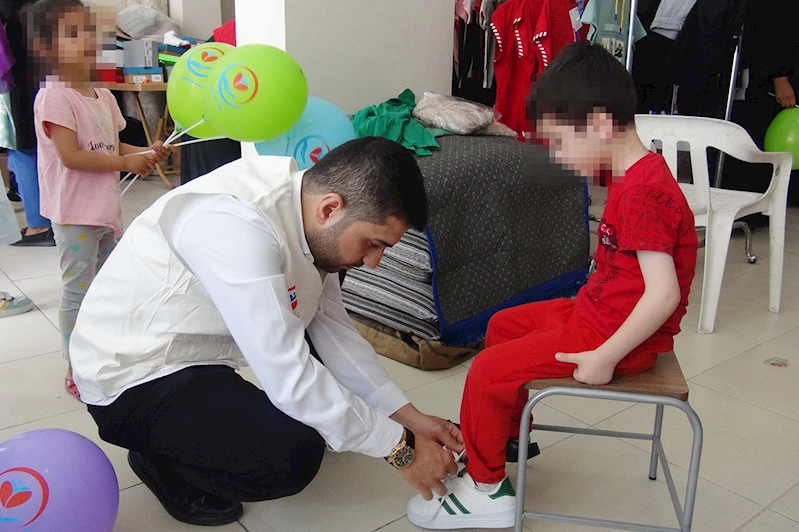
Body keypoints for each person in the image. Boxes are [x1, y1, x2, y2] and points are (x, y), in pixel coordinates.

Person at [68, 136, 465, 526]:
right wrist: (402, 450)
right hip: (132, 376)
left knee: (324, 415)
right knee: (291, 455)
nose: (374, 262)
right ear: (330, 208)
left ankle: (182, 437)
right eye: (373, 243)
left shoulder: (309, 217)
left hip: (197, 354)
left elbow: (335, 333)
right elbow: (287, 375)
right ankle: (159, 459)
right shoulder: (235, 224)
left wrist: (407, 417)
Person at [406, 43, 698, 529]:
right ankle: (508, 436)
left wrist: (604, 357)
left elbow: (663, 294)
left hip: (611, 337)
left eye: (560, 142)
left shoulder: (644, 192)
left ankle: (486, 489)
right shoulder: (633, 176)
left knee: (488, 372)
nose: (557, 156)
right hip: (596, 315)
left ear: (600, 124)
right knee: (502, 324)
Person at [27, 0, 169, 399]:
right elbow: (71, 156)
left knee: (108, 285)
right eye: (73, 34)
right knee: (79, 290)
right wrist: (124, 162)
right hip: (74, 214)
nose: (87, 40)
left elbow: (112, 144)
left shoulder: (102, 93)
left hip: (105, 210)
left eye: (90, 31)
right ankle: (76, 363)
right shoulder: (55, 96)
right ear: (46, 48)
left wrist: (145, 153)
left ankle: (105, 348)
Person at [1, 0, 53, 246]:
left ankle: (39, 224)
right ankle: (51, 219)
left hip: (20, 77)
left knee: (23, 148)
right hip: (50, 72)